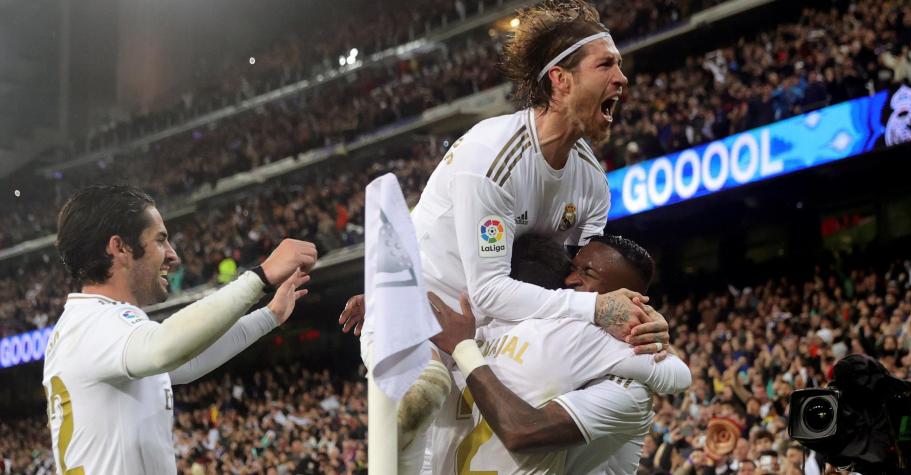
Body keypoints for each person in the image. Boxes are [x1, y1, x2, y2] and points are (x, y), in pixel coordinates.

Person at [342, 2, 671, 470]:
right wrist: (600, 309)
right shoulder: (493, 156)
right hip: (421, 320)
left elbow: (578, 281)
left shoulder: (592, 183)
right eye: (607, 64)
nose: (622, 77)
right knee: (421, 402)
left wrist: (644, 327)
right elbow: (492, 290)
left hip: (491, 338)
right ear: (561, 79)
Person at [43, 184, 316, 474]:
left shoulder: (88, 323)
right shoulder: (96, 324)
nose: (173, 255)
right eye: (160, 240)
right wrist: (261, 276)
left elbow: (188, 359)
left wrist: (269, 316)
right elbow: (164, 348)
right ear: (119, 248)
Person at [427, 235, 690, 473]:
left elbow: (678, 377)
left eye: (587, 273)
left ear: (627, 299)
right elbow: (677, 376)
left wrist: (648, 330)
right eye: (573, 267)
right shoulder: (505, 329)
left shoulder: (625, 384)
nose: (568, 279)